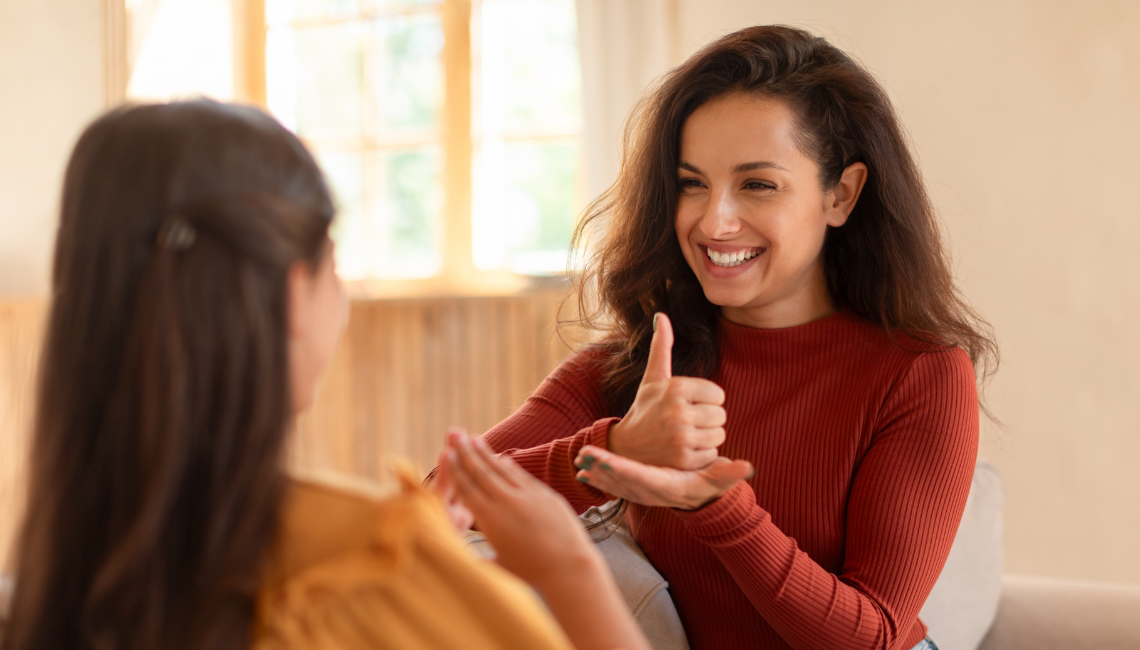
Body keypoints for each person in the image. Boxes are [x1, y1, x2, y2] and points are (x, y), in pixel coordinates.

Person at [0, 100, 648, 650]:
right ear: (292, 295)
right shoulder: (379, 567)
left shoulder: (56, 580)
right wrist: (568, 570)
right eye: (335, 267)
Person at [472, 25, 997, 650]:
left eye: (757, 184)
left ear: (842, 194)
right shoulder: (637, 368)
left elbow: (871, 638)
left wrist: (716, 506)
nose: (713, 221)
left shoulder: (920, 373)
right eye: (692, 183)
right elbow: (442, 501)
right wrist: (615, 450)